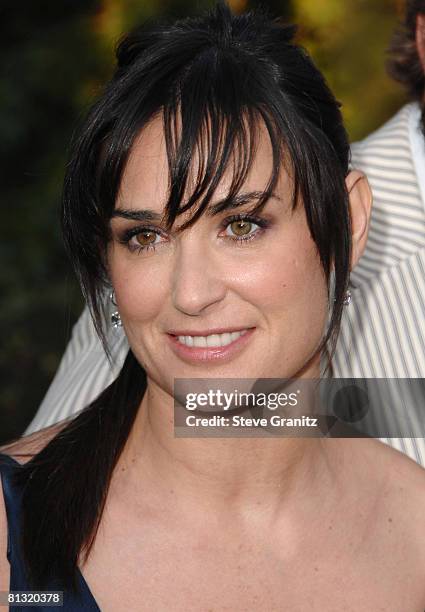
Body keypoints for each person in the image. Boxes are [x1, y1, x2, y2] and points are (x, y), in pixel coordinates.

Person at [1, 3, 425, 609]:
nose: (191, 294)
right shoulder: (13, 537)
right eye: (143, 237)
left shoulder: (413, 533)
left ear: (350, 222)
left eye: (243, 225)